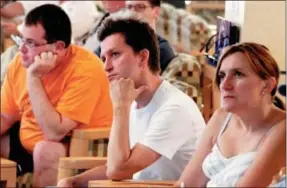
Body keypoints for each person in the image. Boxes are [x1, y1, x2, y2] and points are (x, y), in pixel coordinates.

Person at [57, 11, 205, 187]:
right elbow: (117, 164)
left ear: (143, 57)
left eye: (115, 54)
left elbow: (117, 170)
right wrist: (73, 181)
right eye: (104, 58)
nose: (106, 67)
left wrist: (120, 107)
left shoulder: (174, 108)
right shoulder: (133, 100)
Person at [0, 4, 113, 187]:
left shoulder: (85, 70)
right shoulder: (19, 63)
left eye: (31, 43)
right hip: (28, 141)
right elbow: (5, 115)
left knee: (46, 150)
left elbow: (54, 133)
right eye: (21, 40)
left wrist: (34, 78)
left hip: (79, 147)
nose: (21, 50)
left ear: (58, 47)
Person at [175, 42, 286, 187]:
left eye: (238, 74)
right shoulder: (221, 118)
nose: (224, 84)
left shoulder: (282, 129)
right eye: (222, 75)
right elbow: (186, 184)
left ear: (268, 85)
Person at [94, 0, 175, 74]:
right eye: (129, 7)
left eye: (140, 7)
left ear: (156, 11)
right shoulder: (111, 42)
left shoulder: (162, 49)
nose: (132, 12)